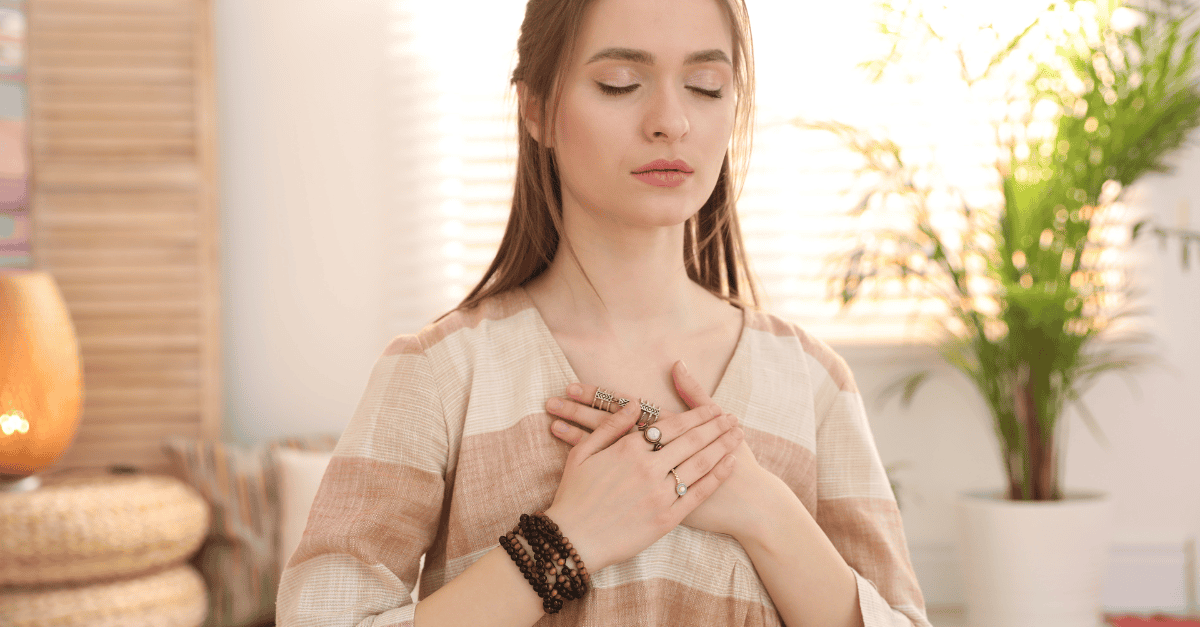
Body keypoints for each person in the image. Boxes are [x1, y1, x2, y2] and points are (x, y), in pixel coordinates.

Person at [277, 0, 930, 624]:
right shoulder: (441, 373)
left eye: (706, 85)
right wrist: (563, 543)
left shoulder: (811, 383)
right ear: (536, 108)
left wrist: (762, 507)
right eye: (621, 83)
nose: (671, 120)